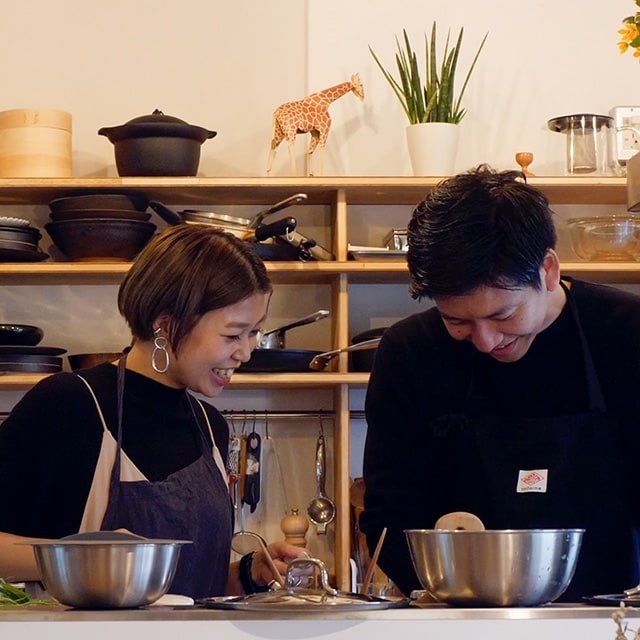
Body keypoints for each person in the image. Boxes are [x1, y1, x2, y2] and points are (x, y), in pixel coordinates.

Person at [360, 165, 640, 601]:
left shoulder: (627, 334)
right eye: (457, 321)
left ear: (547, 270)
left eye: (502, 315)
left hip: (609, 616)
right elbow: (387, 513)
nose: (486, 341)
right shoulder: (410, 353)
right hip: (456, 618)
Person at [0, 224, 307, 599]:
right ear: (166, 324)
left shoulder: (210, 427)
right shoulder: (70, 406)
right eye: (232, 335)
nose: (245, 352)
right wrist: (82, 558)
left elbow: (191, 587)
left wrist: (247, 574)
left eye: (254, 333)